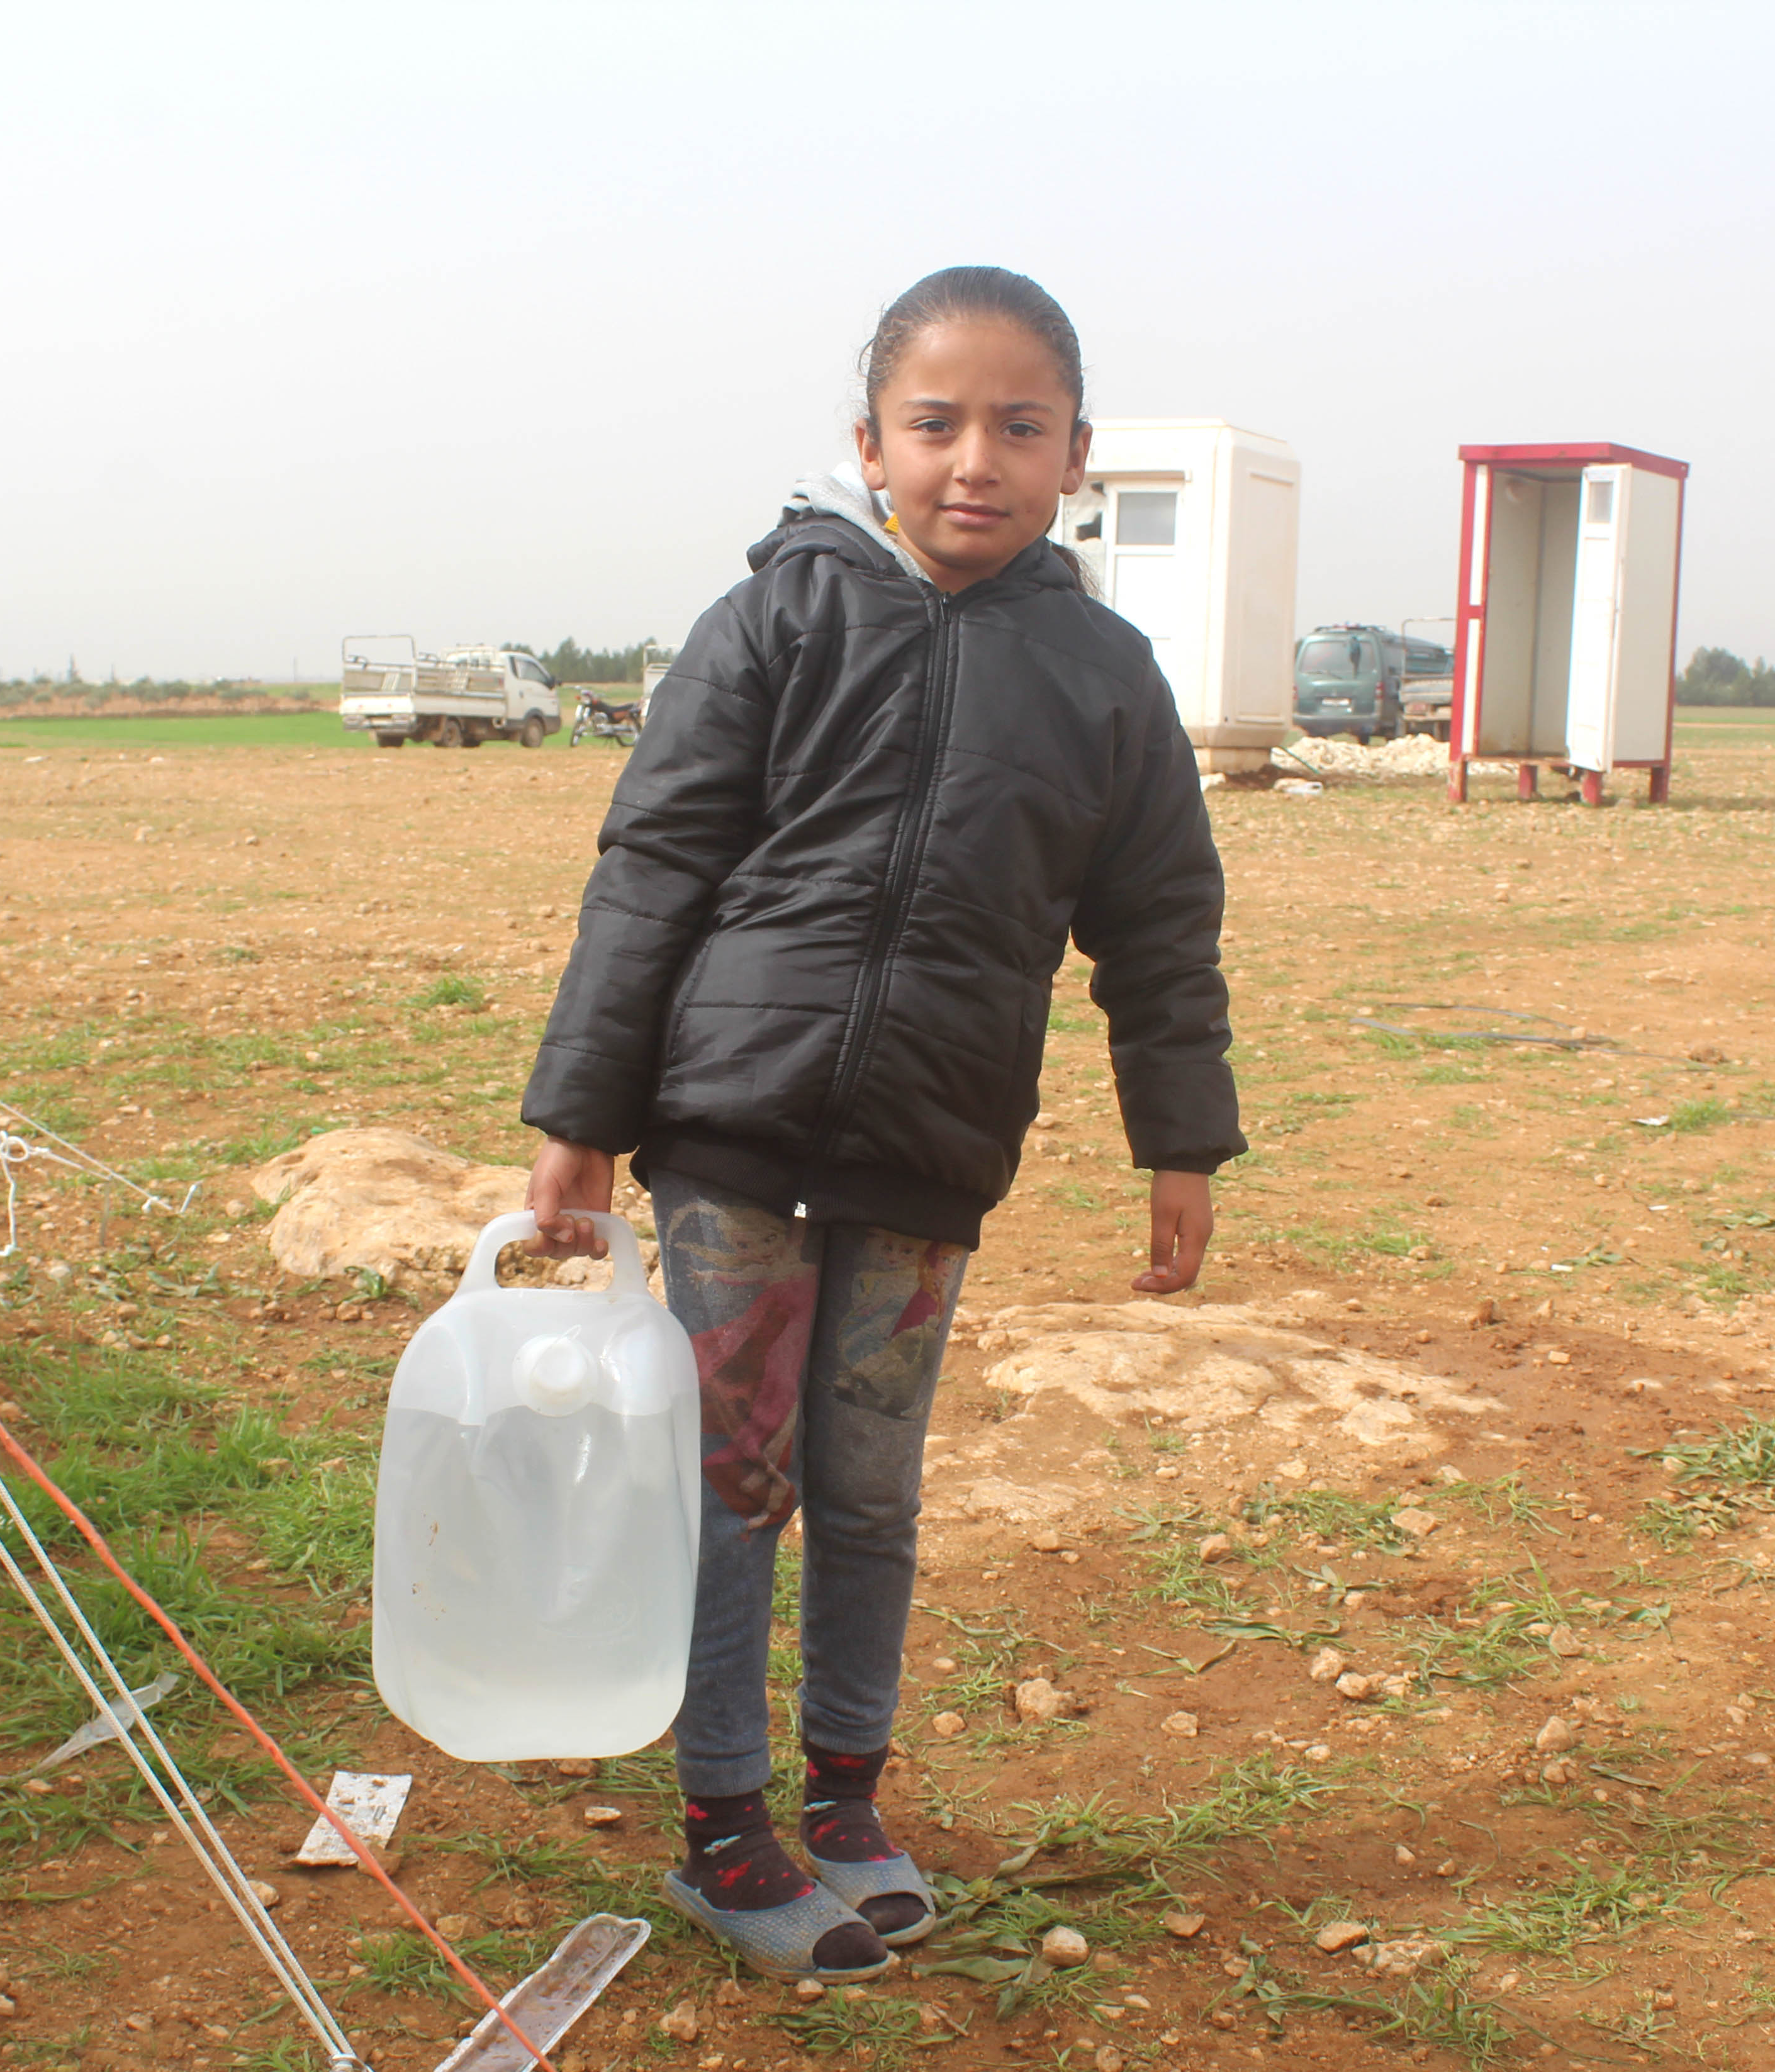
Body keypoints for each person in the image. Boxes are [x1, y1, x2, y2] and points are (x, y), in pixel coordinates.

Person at [518, 267, 1244, 1981]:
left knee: (866, 1484)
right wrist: (581, 1115)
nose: (972, 461)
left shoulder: (1105, 676)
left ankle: (844, 1798)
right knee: (732, 1479)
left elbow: (1161, 926)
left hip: (933, 1143)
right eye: (935, 424)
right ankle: (721, 1828)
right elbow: (657, 867)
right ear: (868, 445)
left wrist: (1181, 1145)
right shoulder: (776, 620)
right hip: (732, 1134)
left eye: (1019, 426)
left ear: (1078, 458)